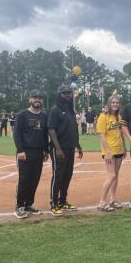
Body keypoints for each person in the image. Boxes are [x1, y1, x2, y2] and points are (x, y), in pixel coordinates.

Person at [47, 84, 83, 216]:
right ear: (59, 95)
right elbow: (51, 129)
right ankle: (54, 203)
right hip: (59, 149)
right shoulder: (55, 110)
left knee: (67, 175)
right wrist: (57, 148)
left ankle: (63, 201)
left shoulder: (70, 110)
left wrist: (78, 145)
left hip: (70, 147)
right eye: (65, 93)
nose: (68, 95)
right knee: (58, 175)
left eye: (69, 93)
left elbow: (73, 129)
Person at [13, 90, 49, 219]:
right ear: (30, 100)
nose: (37, 100)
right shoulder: (22, 115)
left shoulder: (44, 117)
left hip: (38, 152)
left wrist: (46, 150)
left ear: (42, 101)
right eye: (34, 98)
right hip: (25, 152)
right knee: (24, 179)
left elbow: (45, 135)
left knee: (34, 180)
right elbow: (16, 133)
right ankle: (19, 206)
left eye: (39, 98)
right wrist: (20, 150)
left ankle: (28, 204)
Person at [96, 95, 126, 211]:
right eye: (113, 102)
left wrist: (124, 148)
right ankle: (102, 202)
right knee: (111, 175)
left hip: (119, 149)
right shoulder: (103, 116)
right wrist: (107, 151)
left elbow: (121, 133)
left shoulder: (118, 116)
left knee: (116, 175)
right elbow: (102, 135)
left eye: (117, 102)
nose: (115, 104)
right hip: (109, 151)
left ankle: (112, 199)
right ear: (109, 103)